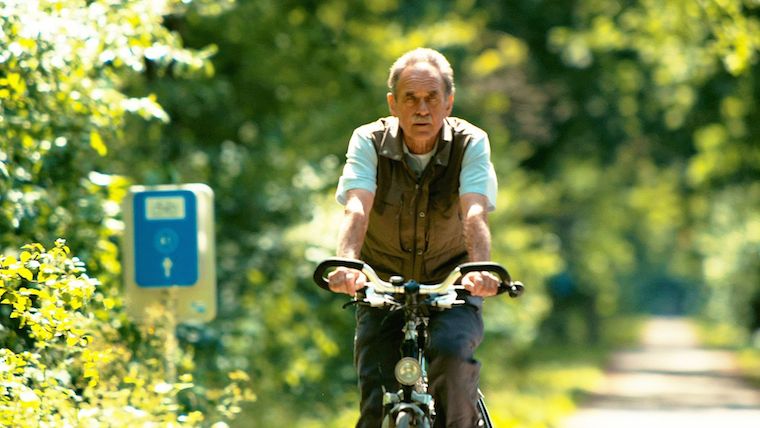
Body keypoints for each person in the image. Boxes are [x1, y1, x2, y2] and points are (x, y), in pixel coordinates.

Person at [328, 47, 500, 428]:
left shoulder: (471, 142)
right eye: (411, 98)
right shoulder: (368, 140)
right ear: (393, 103)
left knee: (452, 355)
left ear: (448, 102)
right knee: (376, 397)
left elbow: (473, 209)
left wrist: (479, 269)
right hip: (382, 282)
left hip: (451, 281)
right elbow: (357, 206)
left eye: (431, 98)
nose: (422, 109)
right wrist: (346, 263)